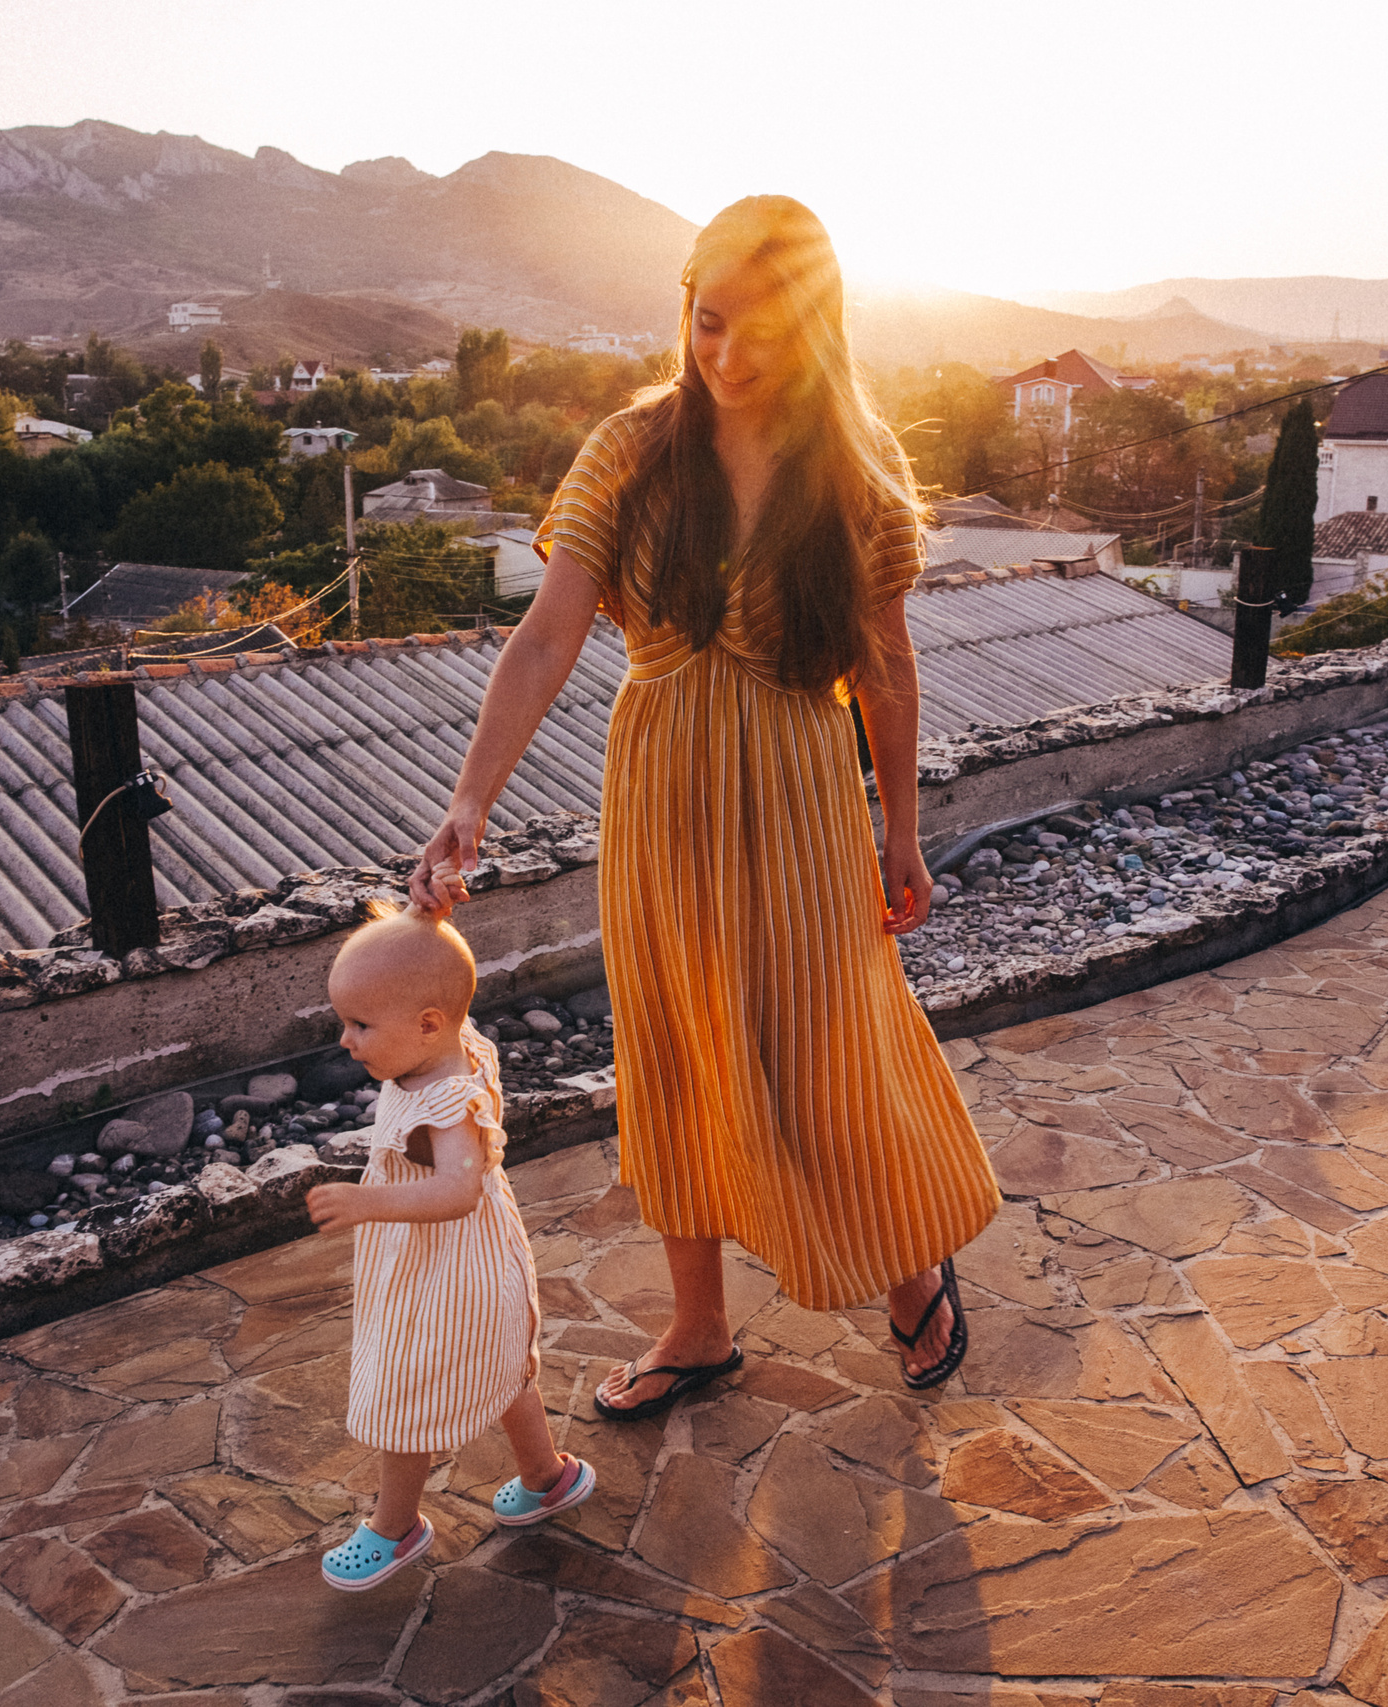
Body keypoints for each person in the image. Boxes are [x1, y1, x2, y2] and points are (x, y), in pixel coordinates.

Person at [410, 195, 1000, 1415]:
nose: (726, 357)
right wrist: (471, 800)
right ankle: (696, 1326)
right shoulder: (631, 448)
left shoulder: (852, 472)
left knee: (829, 1043)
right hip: (663, 788)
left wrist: (899, 831)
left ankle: (906, 1274)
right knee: (676, 1050)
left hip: (797, 791)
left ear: (818, 336)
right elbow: (547, 635)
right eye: (708, 321)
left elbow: (884, 666)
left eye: (762, 337)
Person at [303, 898, 595, 1591]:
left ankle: (395, 1527)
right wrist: (418, 911)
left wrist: (366, 1201)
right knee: (500, 1367)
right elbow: (424, 965)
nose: (346, 1041)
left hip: (454, 1269)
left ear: (428, 1023)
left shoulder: (447, 1097)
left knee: (408, 1388)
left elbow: (459, 1190)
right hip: (442, 1263)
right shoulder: (438, 1046)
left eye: (360, 1024)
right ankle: (547, 1476)